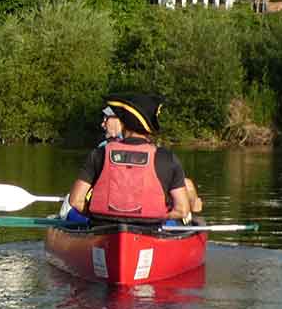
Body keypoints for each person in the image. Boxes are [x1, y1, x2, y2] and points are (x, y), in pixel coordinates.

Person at [67, 93, 193, 225]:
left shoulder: (99, 153)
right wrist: (160, 216)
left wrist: (94, 216)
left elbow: (75, 201)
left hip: (103, 226)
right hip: (149, 228)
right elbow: (182, 210)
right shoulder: (168, 158)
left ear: (123, 122)